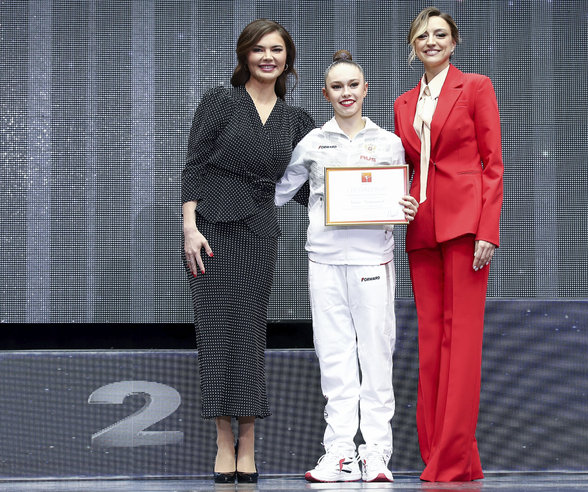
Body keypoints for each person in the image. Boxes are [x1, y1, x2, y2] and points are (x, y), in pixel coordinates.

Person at [274, 50, 418, 483]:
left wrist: (407, 206)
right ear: (326, 94)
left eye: (353, 85)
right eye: (337, 87)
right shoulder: (314, 142)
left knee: (375, 355)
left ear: (365, 89)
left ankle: (375, 453)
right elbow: (279, 191)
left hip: (373, 258)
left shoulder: (389, 142)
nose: (346, 93)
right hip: (324, 260)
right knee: (334, 357)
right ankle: (339, 451)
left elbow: (404, 198)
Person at [181, 19, 315, 484]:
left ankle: (250, 441)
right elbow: (195, 163)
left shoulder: (296, 120)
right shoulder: (221, 100)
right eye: (258, 49)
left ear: (287, 58)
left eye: (276, 49)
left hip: (260, 230)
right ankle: (223, 438)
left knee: (250, 333)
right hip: (212, 230)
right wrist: (189, 228)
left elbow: (307, 185)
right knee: (217, 331)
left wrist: (364, 197)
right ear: (244, 55)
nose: (267, 57)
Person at [393, 7, 503, 482]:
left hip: (465, 227)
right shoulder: (402, 102)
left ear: (453, 42)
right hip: (422, 232)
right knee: (432, 346)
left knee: (463, 343)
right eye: (423, 35)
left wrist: (487, 230)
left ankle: (452, 459)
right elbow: (405, 169)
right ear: (413, 45)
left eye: (440, 34)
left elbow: (493, 164)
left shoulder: (475, 87)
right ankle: (443, 451)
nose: (432, 41)